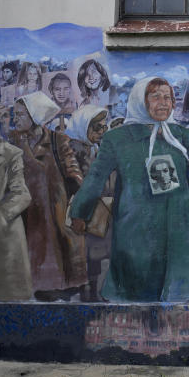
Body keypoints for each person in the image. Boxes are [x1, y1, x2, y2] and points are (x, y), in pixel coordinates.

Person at [68, 77, 189, 302]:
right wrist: (79, 212)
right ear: (139, 100)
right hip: (136, 229)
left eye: (168, 97)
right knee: (136, 295)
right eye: (155, 97)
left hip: (175, 229)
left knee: (172, 297)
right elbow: (95, 178)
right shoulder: (118, 138)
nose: (164, 103)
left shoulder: (179, 134)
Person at [10, 91, 86, 300]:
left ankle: (51, 286)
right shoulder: (12, 140)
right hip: (22, 207)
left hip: (51, 207)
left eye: (20, 115)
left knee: (51, 250)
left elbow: (73, 171)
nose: (15, 119)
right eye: (14, 114)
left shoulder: (57, 140)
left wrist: (78, 202)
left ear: (35, 116)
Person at [0, 109, 33, 301]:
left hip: (4, 235)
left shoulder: (10, 153)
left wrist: (0, 215)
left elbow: (22, 194)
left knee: (7, 297)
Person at [66, 104, 112, 301]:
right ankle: (85, 291)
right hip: (79, 209)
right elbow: (77, 183)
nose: (101, 132)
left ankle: (92, 290)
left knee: (95, 253)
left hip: (96, 209)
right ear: (83, 127)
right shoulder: (74, 150)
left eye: (104, 127)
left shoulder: (95, 147)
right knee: (83, 253)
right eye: (97, 127)